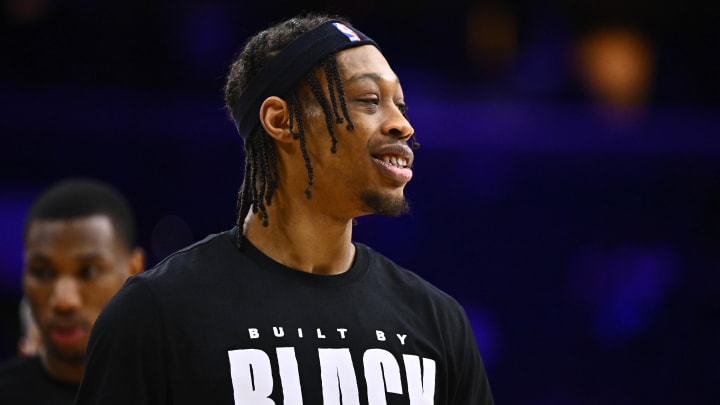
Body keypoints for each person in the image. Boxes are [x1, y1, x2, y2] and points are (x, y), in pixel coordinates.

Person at [75, 12, 494, 404]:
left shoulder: (438, 322)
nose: (403, 125)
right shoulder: (155, 314)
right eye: (369, 100)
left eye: (400, 105)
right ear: (281, 120)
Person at [0, 178, 145, 404]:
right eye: (43, 273)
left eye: (88, 272)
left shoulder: (181, 388)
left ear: (134, 269)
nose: (64, 301)